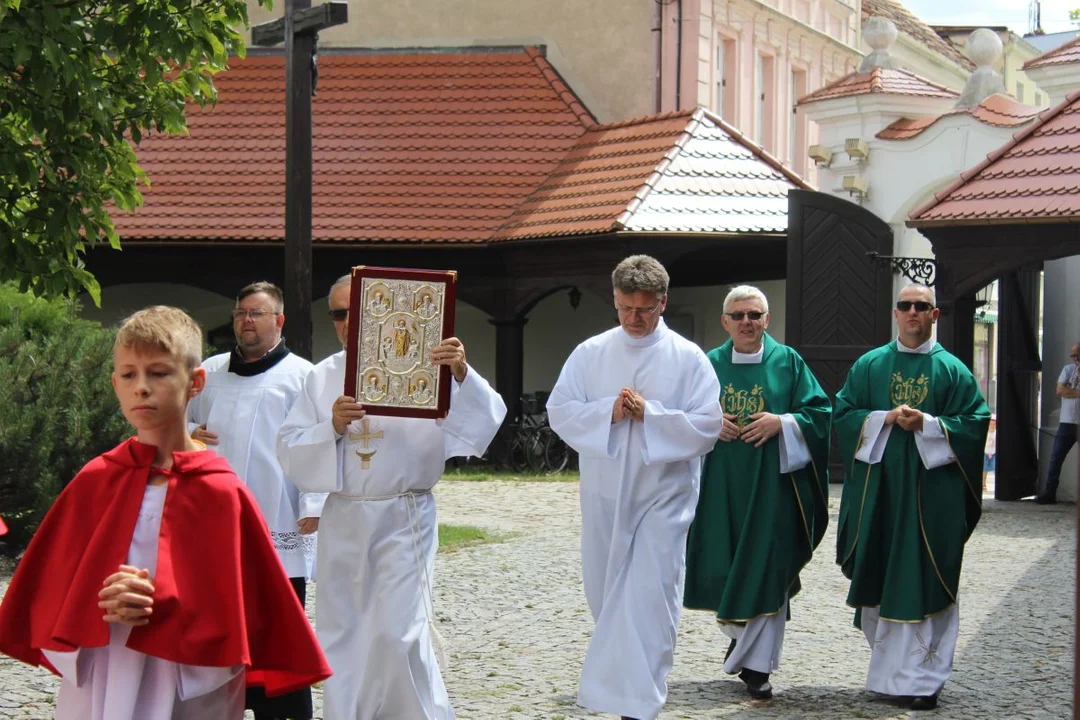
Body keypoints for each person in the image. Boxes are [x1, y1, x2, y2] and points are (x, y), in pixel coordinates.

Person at [0, 306, 330, 720]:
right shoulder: (96, 480)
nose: (141, 388)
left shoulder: (221, 491)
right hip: (104, 664)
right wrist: (102, 600)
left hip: (187, 680)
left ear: (195, 383)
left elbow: (241, 610)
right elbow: (54, 589)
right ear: (114, 383)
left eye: (158, 373)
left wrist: (170, 605)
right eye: (128, 374)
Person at [277, 275, 506, 720]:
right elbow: (289, 448)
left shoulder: (425, 366)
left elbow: (482, 425)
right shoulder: (322, 376)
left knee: (397, 632)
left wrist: (459, 373)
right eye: (338, 314)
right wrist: (332, 428)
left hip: (404, 516)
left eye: (354, 311)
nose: (346, 323)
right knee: (344, 634)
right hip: (344, 518)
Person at [547, 255, 725, 720]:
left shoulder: (689, 358)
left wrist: (653, 415)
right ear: (614, 300)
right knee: (606, 594)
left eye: (644, 309)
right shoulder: (591, 353)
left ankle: (640, 704)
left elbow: (707, 427)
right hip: (605, 496)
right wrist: (610, 410)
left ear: (663, 302)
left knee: (651, 596)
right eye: (625, 308)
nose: (634, 318)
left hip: (665, 499)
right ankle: (619, 692)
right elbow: (561, 411)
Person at [835, 284, 989, 711]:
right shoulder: (870, 366)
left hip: (930, 499)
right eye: (905, 306)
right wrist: (883, 418)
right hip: (881, 494)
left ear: (934, 314)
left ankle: (923, 679)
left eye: (921, 307)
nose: (913, 313)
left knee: (926, 578)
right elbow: (843, 415)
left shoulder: (953, 370)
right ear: (895, 313)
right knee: (882, 575)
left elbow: (975, 423)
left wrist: (930, 424)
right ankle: (889, 674)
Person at [683, 285, 832, 700]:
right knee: (725, 566)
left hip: (773, 490)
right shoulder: (706, 364)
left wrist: (782, 423)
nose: (746, 322)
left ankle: (756, 666)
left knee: (768, 566)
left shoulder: (789, 362)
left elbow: (819, 412)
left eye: (754, 315)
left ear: (767, 319)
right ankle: (742, 637)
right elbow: (681, 415)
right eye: (738, 315)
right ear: (724, 321)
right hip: (721, 487)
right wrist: (711, 422)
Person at [186, 281, 325, 720]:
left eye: (257, 313)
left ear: (279, 321)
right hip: (214, 520)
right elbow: (179, 422)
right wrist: (187, 435)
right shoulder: (208, 371)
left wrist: (314, 504)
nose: (247, 320)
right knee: (217, 622)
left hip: (276, 515)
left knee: (276, 627)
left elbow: (320, 442)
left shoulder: (304, 375)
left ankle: (281, 710)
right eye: (242, 313)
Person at [1035, 342, 1080, 504]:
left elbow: (1066, 391)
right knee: (1056, 458)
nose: (1074, 358)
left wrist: (1071, 392)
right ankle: (1050, 492)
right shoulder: (1068, 370)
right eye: (1072, 355)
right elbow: (1060, 391)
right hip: (1067, 421)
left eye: (1077, 355)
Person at [983, 413, 997, 494]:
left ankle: (997, 484)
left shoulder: (997, 433)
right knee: (984, 469)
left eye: (994, 423)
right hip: (985, 452)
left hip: (994, 453)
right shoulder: (985, 432)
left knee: (996, 469)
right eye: (991, 422)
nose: (992, 424)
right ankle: (983, 484)